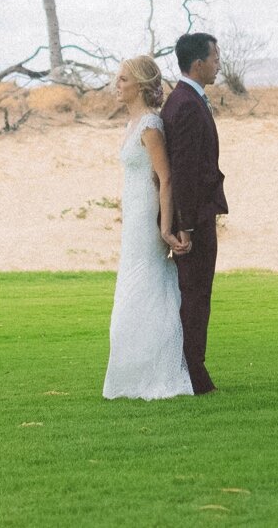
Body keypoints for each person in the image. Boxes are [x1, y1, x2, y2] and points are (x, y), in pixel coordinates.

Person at [102, 54, 194, 400]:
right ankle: (131, 373)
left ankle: (155, 372)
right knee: (132, 286)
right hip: (132, 217)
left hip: (146, 217)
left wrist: (167, 228)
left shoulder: (151, 127)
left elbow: (165, 177)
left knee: (144, 285)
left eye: (123, 79)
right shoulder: (132, 124)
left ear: (140, 84)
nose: (117, 85)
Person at [161, 31, 227, 395]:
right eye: (215, 57)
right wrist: (185, 225)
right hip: (195, 219)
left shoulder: (188, 100)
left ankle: (192, 370)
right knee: (196, 295)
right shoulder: (185, 104)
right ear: (198, 62)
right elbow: (184, 171)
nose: (219, 63)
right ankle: (194, 374)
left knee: (197, 293)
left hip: (198, 214)